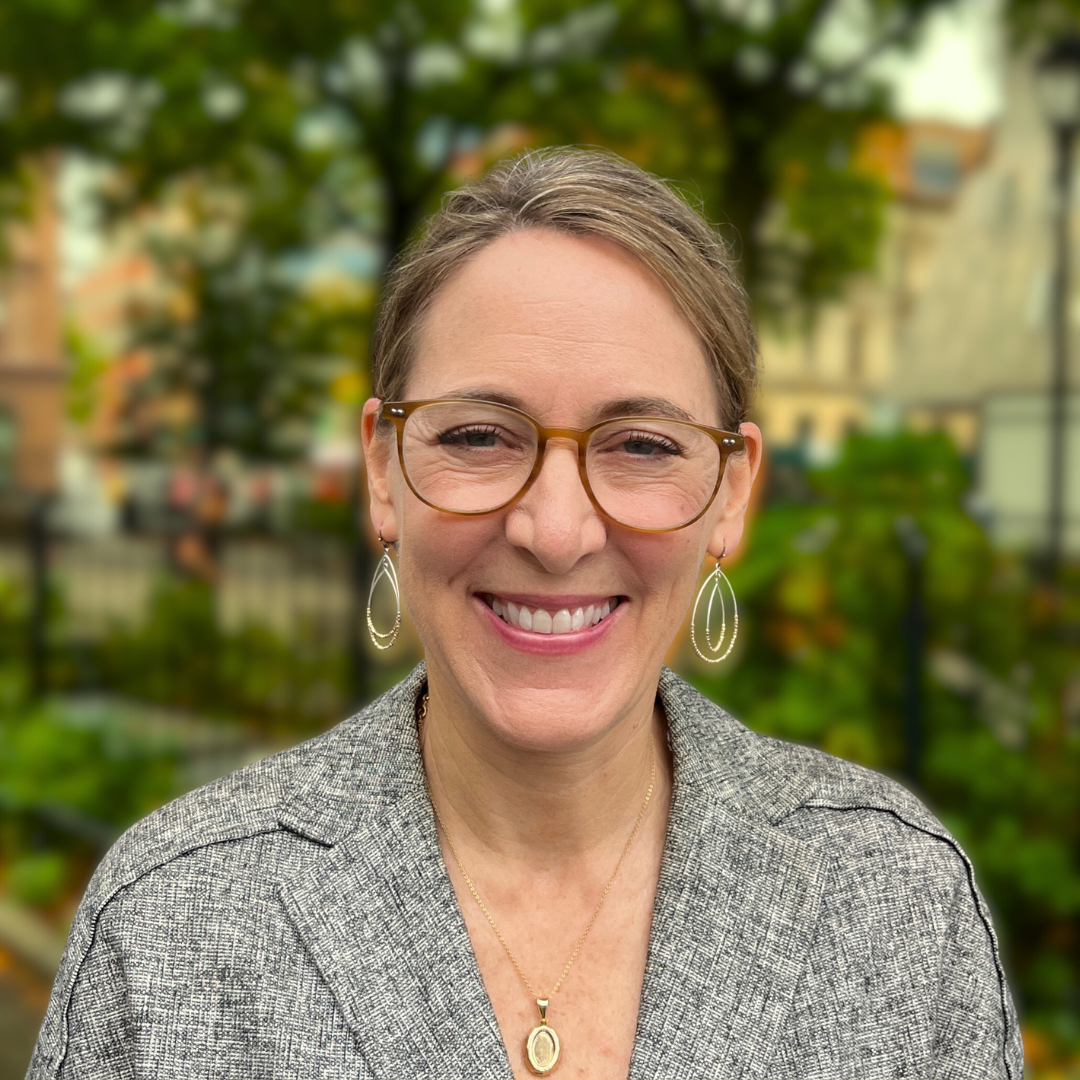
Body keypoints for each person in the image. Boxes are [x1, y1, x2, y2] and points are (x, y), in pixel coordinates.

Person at [28, 148, 1022, 1080]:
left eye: (640, 444)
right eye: (479, 435)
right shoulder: (170, 923)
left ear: (730, 493)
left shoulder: (898, 904)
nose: (555, 530)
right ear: (382, 471)